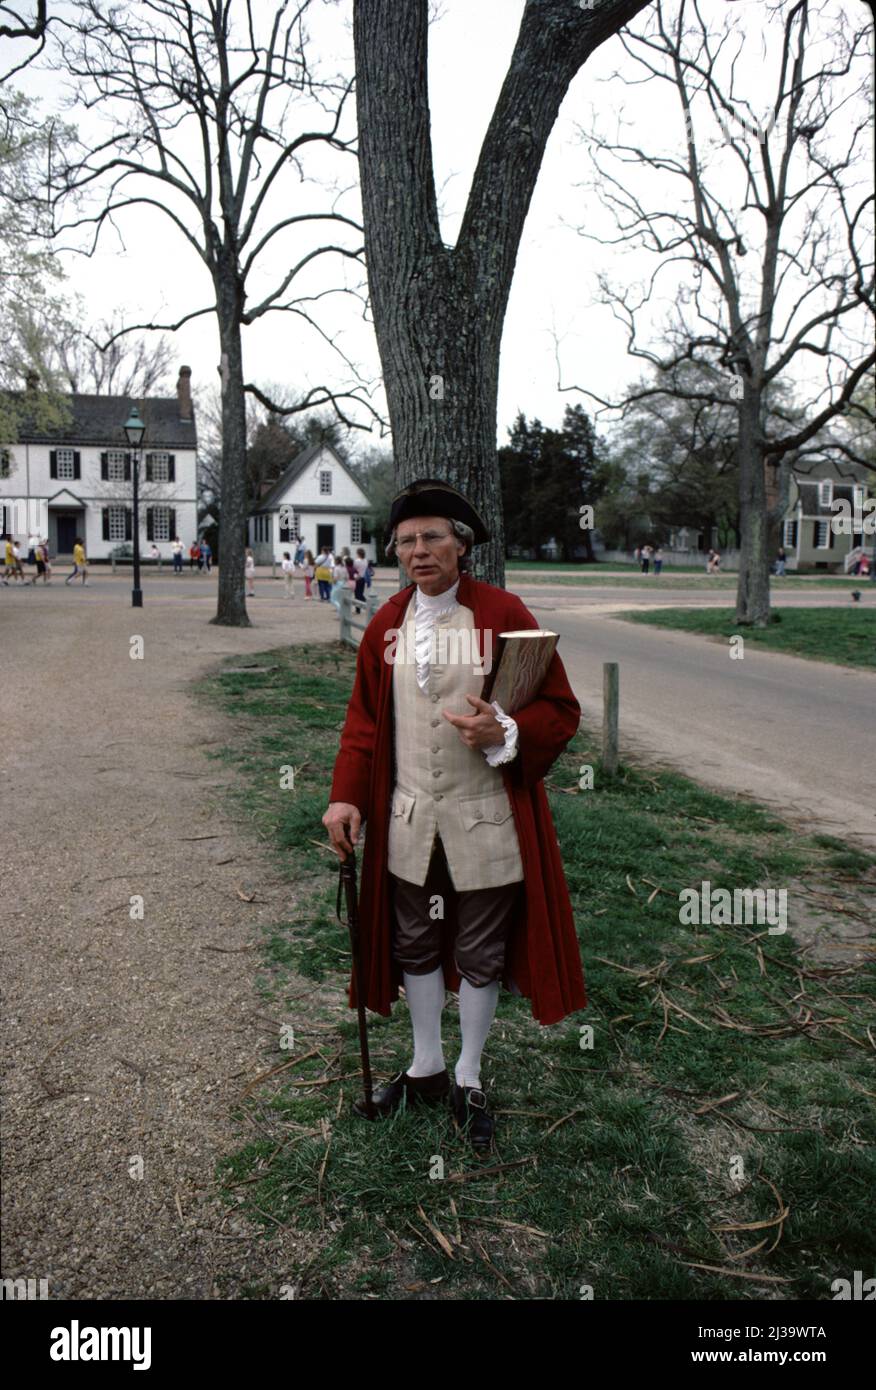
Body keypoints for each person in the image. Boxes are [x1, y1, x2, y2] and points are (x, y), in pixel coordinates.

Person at [322, 478, 586, 1152]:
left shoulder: (503, 612)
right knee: (413, 941)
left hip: (485, 819)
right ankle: (426, 1066)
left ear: (460, 544)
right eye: (406, 541)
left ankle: (468, 1073)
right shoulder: (386, 624)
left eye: (432, 536)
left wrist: (506, 731)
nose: (419, 551)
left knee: (479, 949)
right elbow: (363, 723)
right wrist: (346, 795)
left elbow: (559, 709)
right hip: (409, 819)